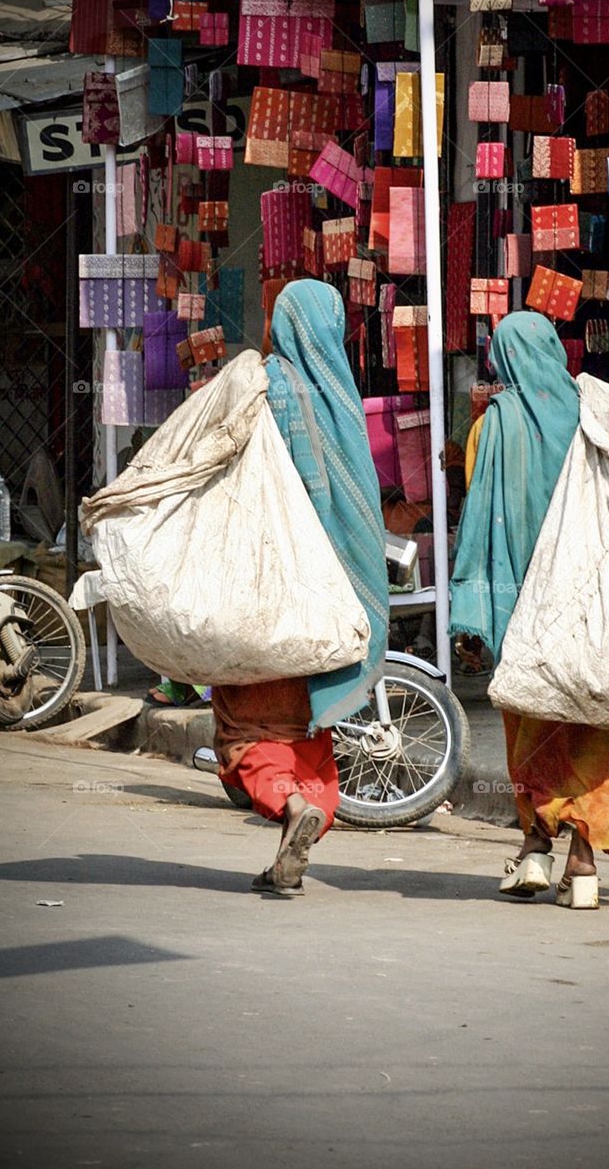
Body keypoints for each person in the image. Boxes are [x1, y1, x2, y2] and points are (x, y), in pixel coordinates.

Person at [449, 311, 609, 909]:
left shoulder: (493, 426)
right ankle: (583, 863)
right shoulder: (593, 415)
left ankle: (537, 844)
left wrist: (472, 615)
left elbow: (479, 522)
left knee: (535, 729)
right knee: (597, 724)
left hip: (521, 608)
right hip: (591, 605)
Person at [212, 280, 389, 897]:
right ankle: (305, 811)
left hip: (263, 587)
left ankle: (289, 808)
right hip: (326, 596)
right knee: (307, 725)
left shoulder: (260, 386)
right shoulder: (343, 395)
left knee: (246, 721)